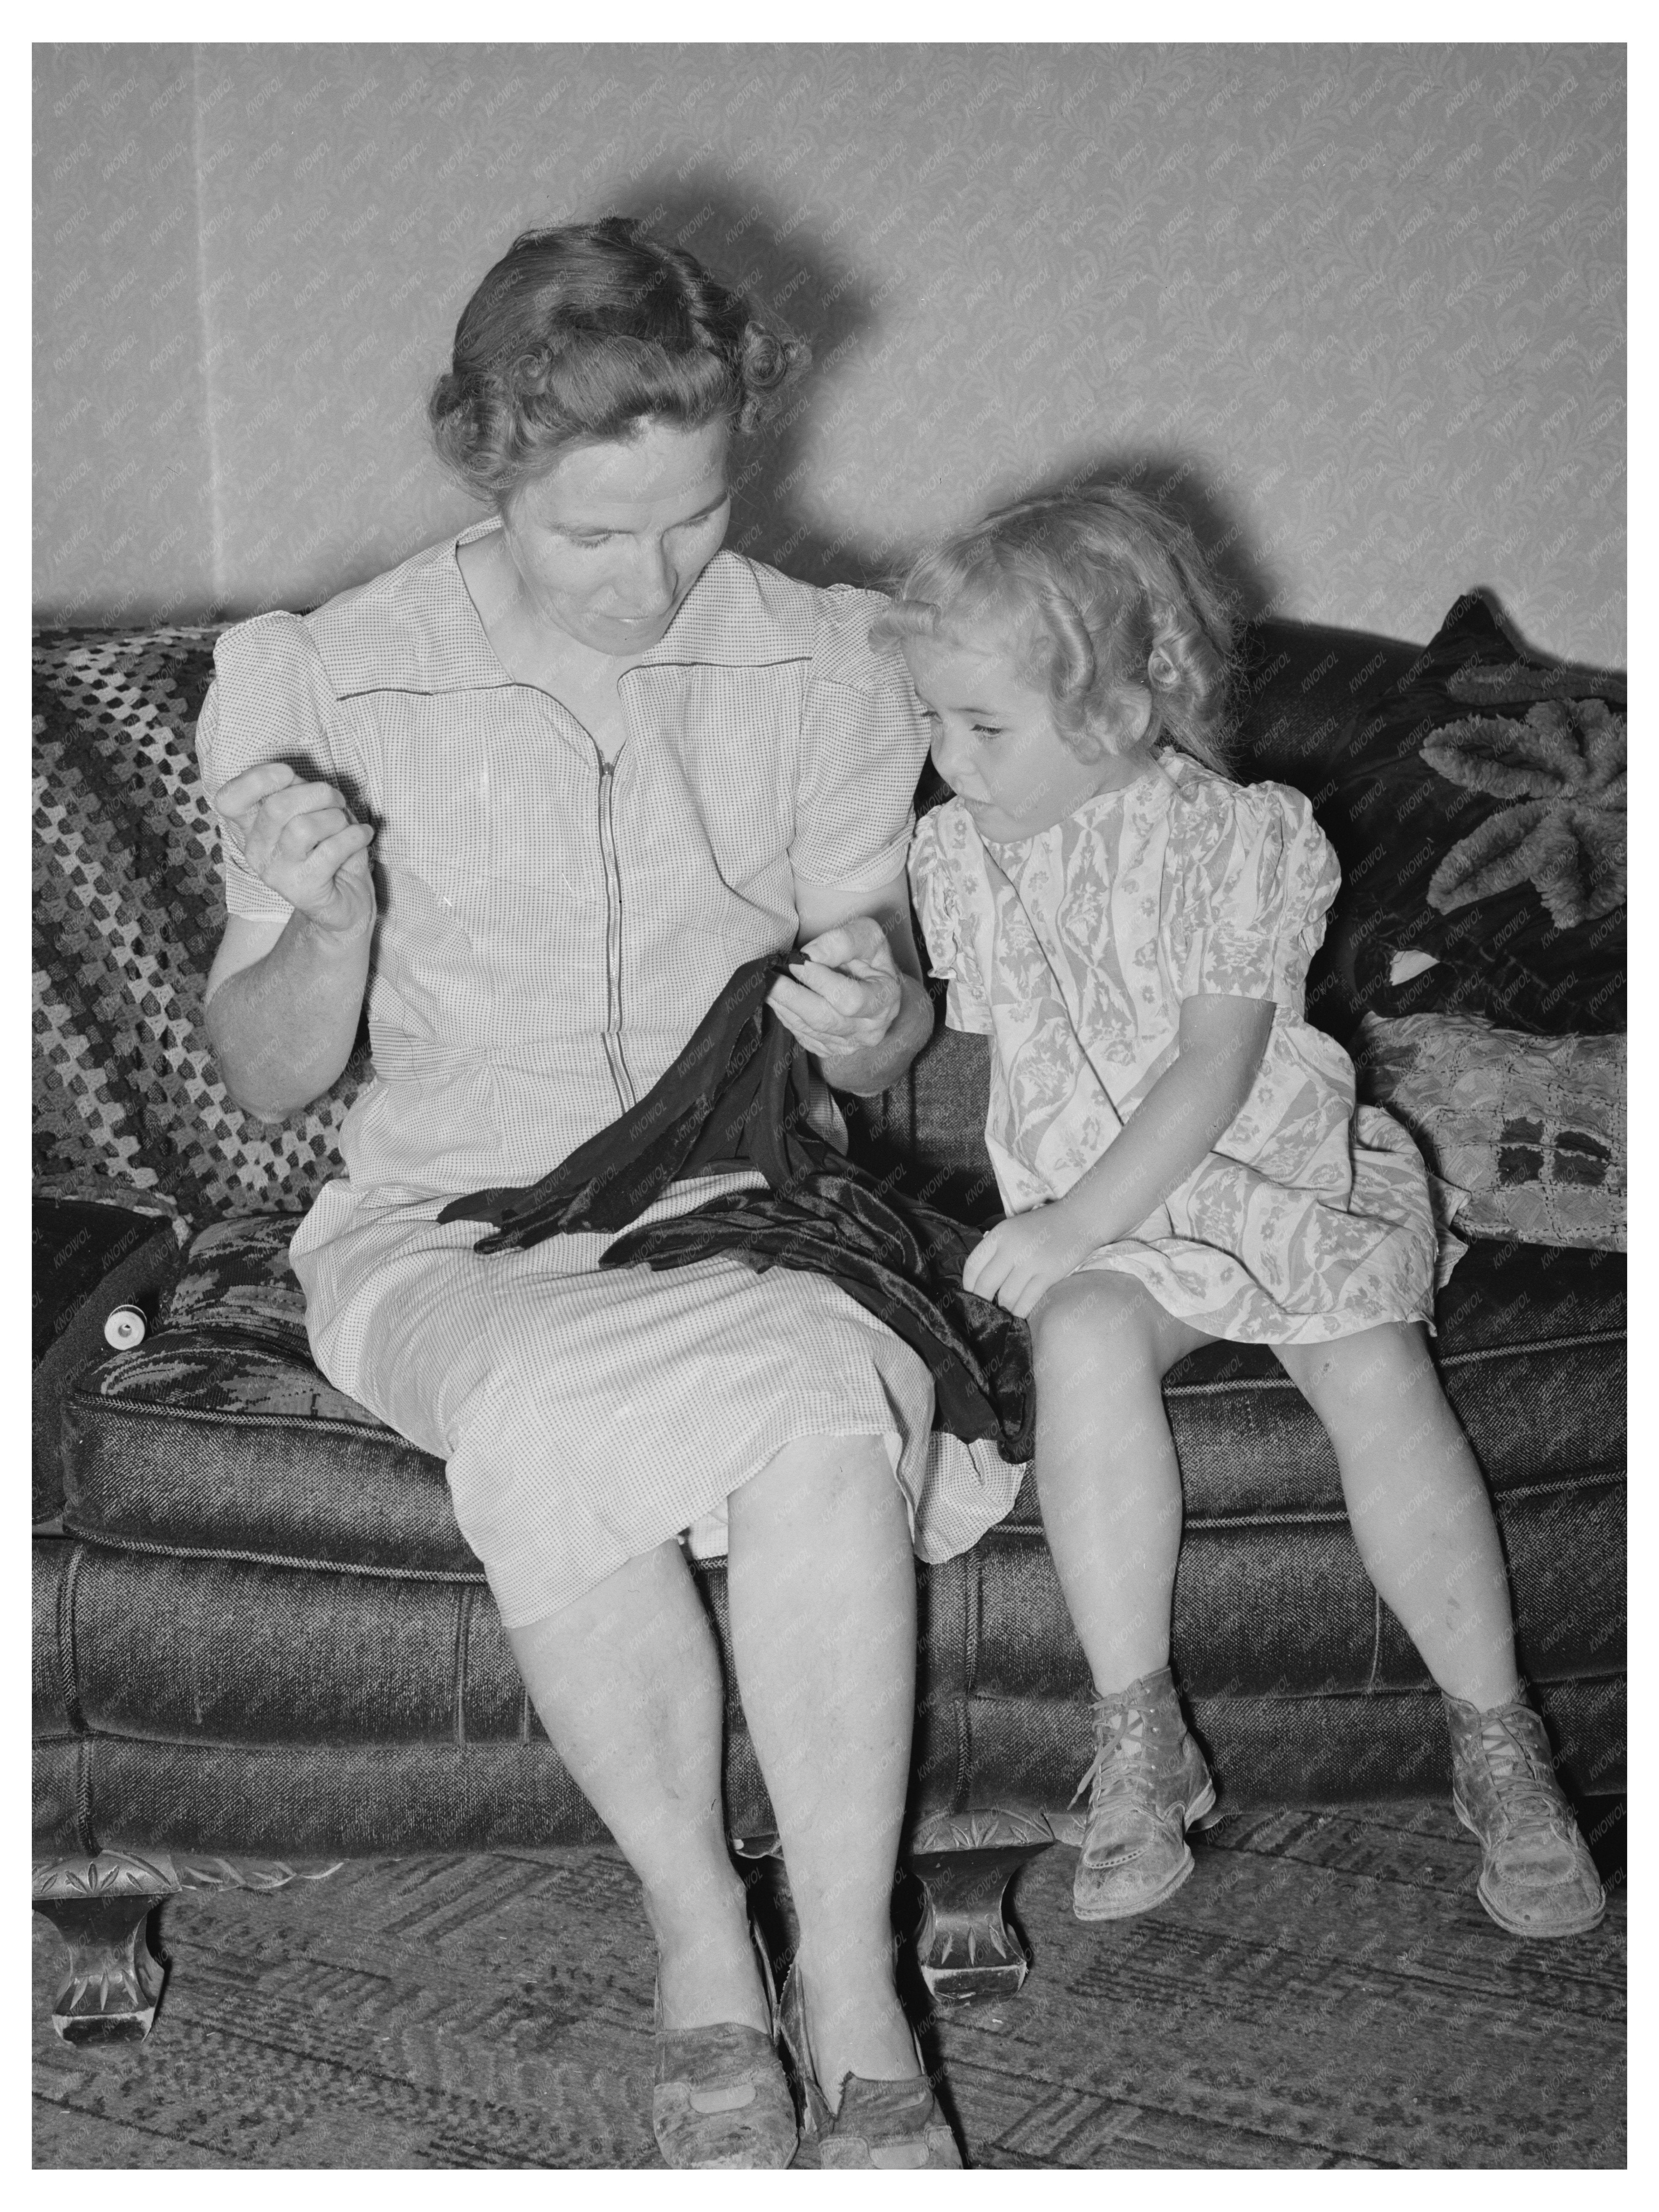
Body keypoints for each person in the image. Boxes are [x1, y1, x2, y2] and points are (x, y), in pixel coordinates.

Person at [198, 218, 1018, 2169]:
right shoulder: (328, 679)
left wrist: (879, 1009)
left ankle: (847, 1972)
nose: (656, 582)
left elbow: (871, 1044)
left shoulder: (826, 660)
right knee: (553, 1395)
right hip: (450, 1229)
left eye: (695, 518)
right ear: (486, 465)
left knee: (825, 1401)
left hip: (732, 1204)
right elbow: (267, 1077)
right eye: (593, 537)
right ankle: (699, 1945)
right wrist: (326, 926)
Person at [878, 486, 1605, 1941]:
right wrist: (871, 1023)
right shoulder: (958, 855)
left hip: (1263, 1175)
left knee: (1370, 1363)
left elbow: (1215, 1064)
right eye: (932, 723)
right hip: (1110, 1223)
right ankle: (1139, 1735)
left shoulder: (1240, 838)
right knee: (1079, 1336)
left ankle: (1495, 1739)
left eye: (983, 727)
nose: (946, 763)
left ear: (1128, 702)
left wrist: (1075, 1215)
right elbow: (983, 1050)